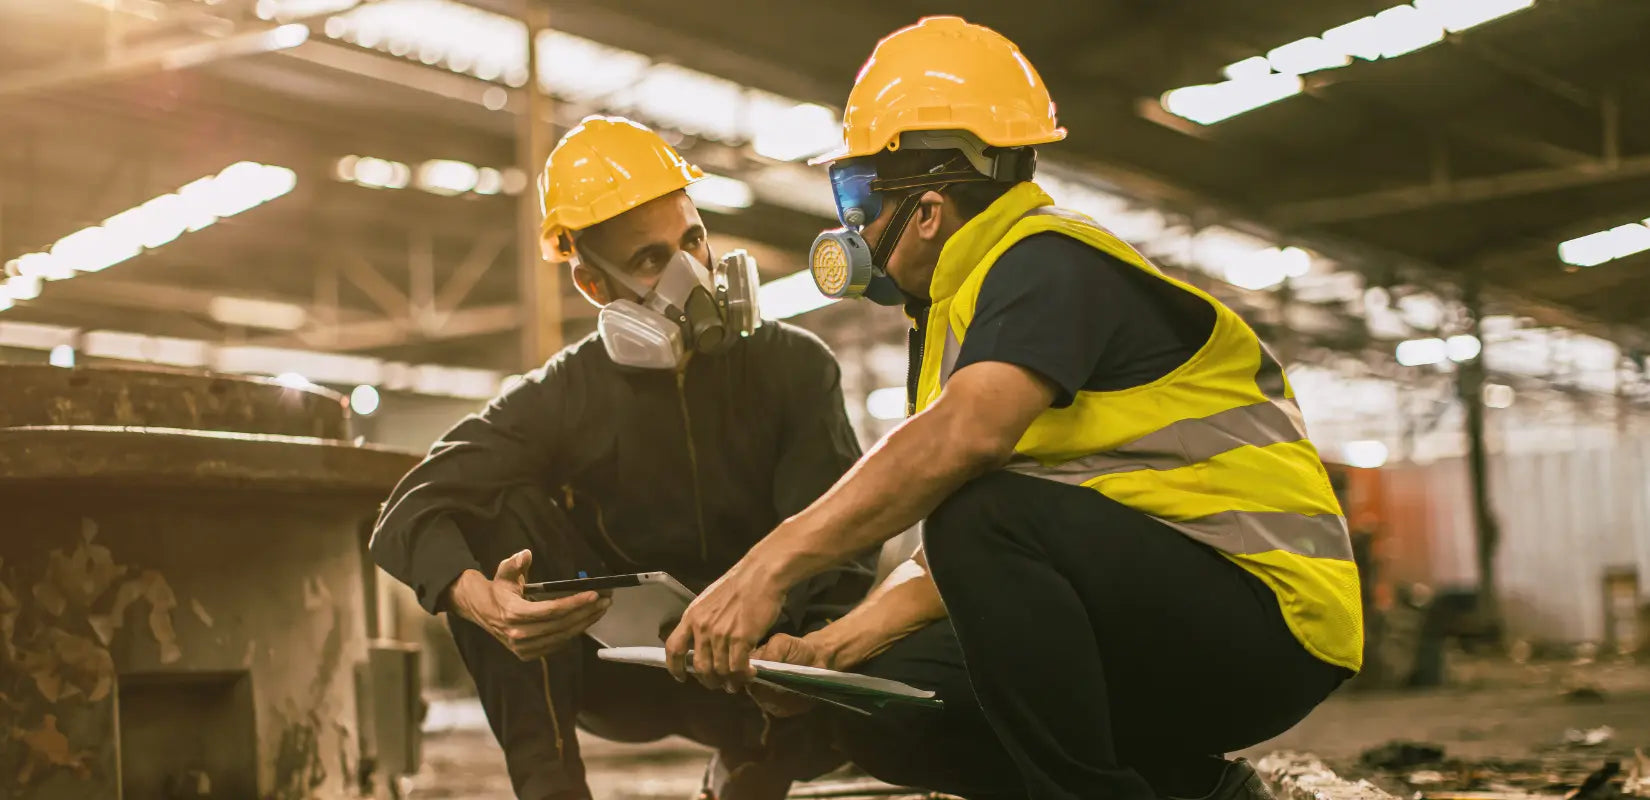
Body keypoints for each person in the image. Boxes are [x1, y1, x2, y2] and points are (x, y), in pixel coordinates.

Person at [665, 17, 1363, 800]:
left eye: (857, 194)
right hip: (1170, 608)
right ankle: (1196, 792)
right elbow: (976, 561)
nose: (851, 225)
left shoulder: (1047, 262)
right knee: (881, 703)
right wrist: (826, 654)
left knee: (978, 513)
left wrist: (767, 567)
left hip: (1269, 618)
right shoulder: (964, 309)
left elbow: (973, 458)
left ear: (927, 210)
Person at [370, 115, 875, 800]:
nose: (690, 274)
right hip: (620, 673)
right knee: (495, 510)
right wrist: (481, 601)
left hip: (756, 674)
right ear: (593, 284)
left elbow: (844, 546)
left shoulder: (795, 368)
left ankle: (758, 765)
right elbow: (410, 508)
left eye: (692, 240)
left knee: (830, 589)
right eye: (649, 261)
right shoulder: (563, 394)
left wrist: (783, 630)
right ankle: (550, 788)